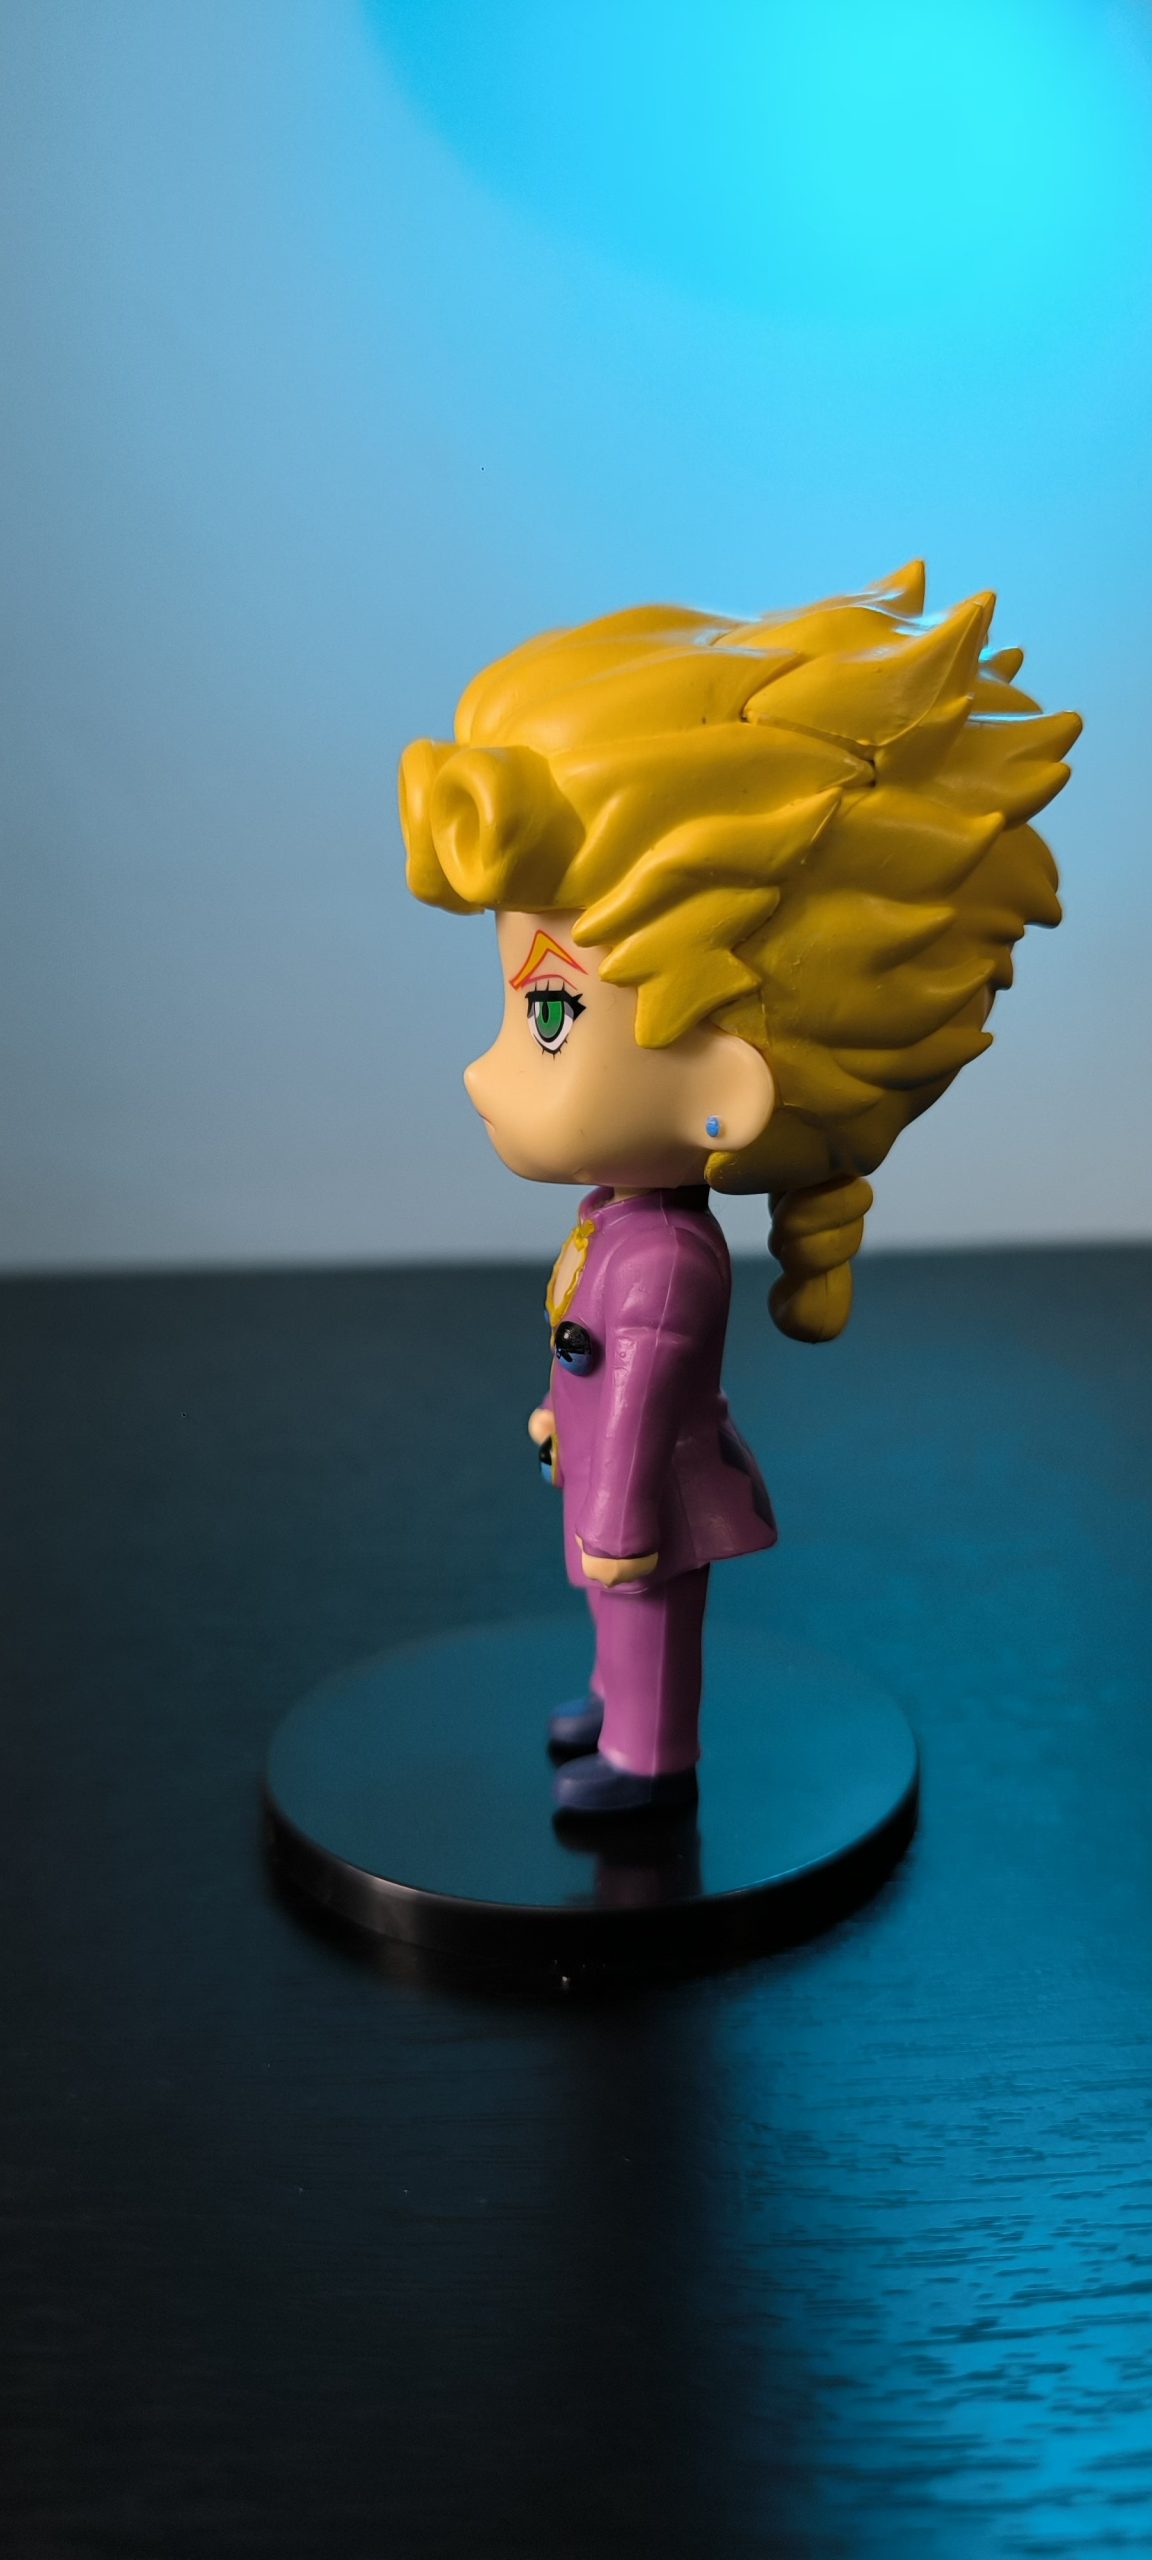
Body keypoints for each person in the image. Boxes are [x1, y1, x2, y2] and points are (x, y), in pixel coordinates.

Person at [398, 562, 1079, 1815]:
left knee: (643, 1599)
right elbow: (590, 1360)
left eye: (548, 1015)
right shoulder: (616, 1222)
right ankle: (611, 1705)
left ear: (725, 1087)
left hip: (648, 1493)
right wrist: (558, 1419)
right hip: (605, 1471)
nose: (489, 1063)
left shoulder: (667, 1261)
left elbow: (643, 1395)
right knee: (615, 1610)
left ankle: (649, 1758)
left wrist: (613, 1511)